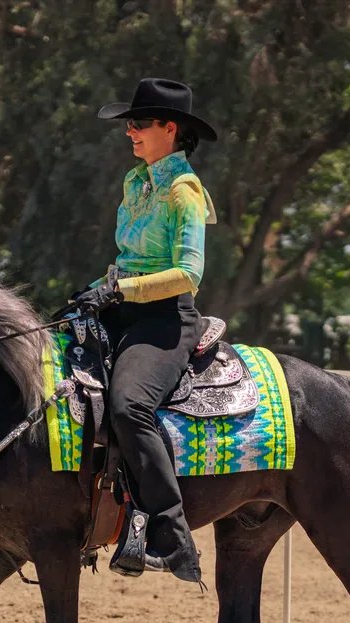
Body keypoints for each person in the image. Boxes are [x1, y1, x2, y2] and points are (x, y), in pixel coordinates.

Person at [72, 77, 219, 585]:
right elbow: (126, 261)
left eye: (138, 124)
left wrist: (119, 294)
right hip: (121, 308)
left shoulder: (185, 192)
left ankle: (174, 536)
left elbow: (189, 274)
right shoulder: (135, 183)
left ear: (169, 128)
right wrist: (89, 292)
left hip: (164, 320)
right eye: (129, 124)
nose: (129, 132)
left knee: (129, 405)